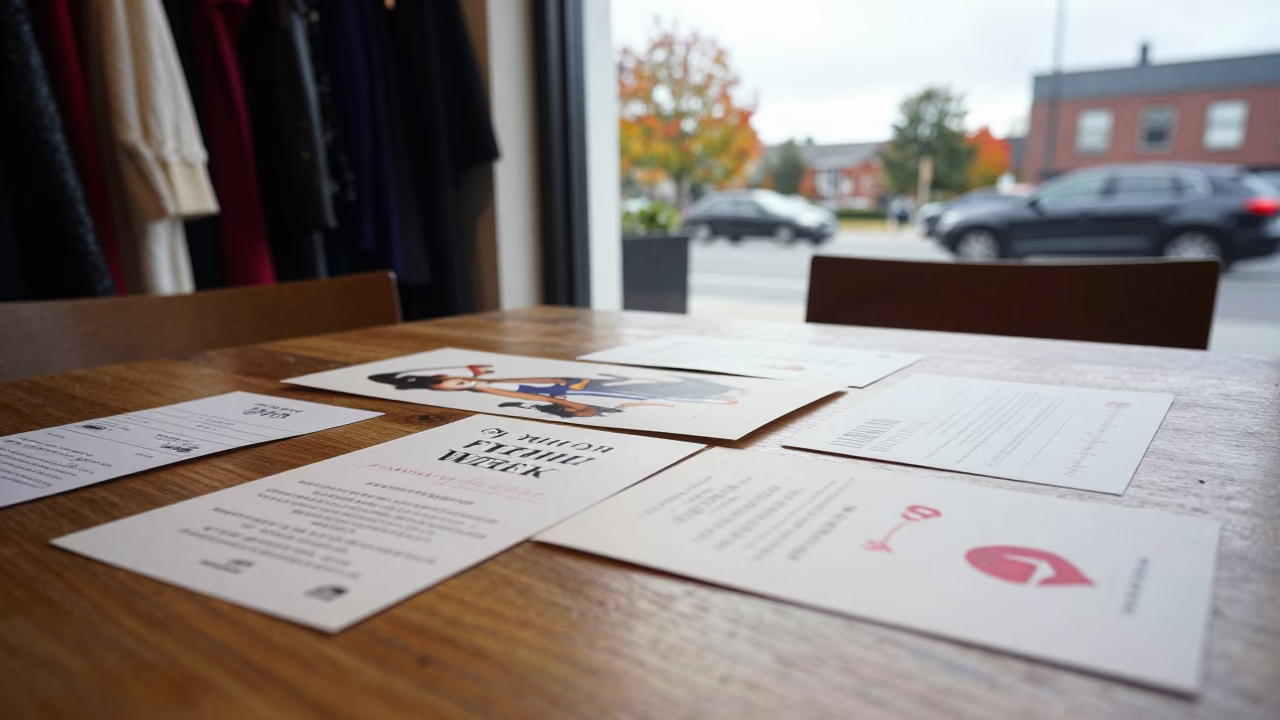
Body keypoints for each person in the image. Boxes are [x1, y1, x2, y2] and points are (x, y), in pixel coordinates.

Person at [367, 364, 745, 418]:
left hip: (574, 384)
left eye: (454, 380)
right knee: (635, 396)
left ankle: (711, 393)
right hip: (573, 392)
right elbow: (537, 396)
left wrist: (563, 384)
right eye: (454, 386)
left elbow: (542, 380)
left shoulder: (485, 381)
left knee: (640, 386)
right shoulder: (482, 390)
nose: (459, 383)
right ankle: (707, 397)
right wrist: (561, 399)